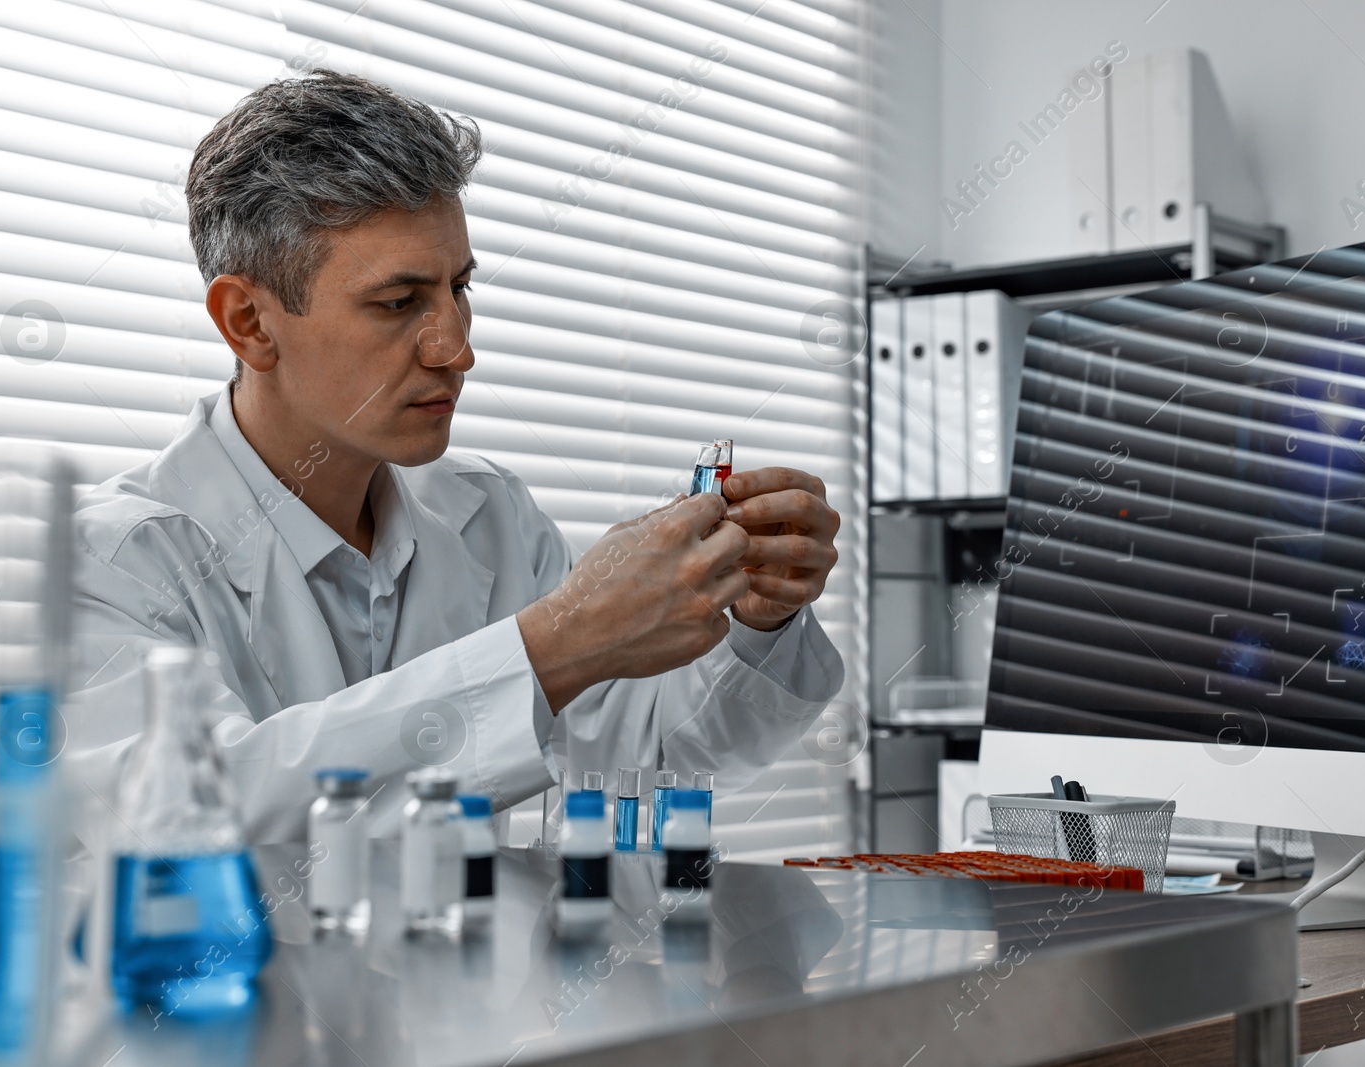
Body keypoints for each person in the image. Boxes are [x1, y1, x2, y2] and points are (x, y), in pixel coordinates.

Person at [65, 71, 843, 843]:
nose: (456, 350)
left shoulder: (487, 516)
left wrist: (759, 621)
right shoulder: (110, 559)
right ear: (249, 323)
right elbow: (184, 818)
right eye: (399, 303)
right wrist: (559, 641)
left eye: (459, 289)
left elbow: (655, 749)